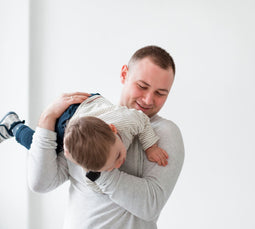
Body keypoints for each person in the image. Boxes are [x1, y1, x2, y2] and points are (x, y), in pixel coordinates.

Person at [25, 45, 184, 229]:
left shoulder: (164, 132)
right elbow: (41, 183)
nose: (148, 100)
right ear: (124, 74)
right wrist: (48, 117)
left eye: (160, 93)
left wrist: (97, 171)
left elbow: (150, 205)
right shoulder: (91, 125)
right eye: (142, 86)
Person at [0, 94, 169, 174]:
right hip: (74, 121)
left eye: (117, 155)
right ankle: (13, 126)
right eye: (108, 167)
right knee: (47, 150)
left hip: (83, 106)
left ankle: (12, 124)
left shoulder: (129, 120)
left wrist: (151, 147)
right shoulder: (83, 158)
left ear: (113, 129)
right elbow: (90, 177)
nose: (118, 164)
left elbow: (143, 120)